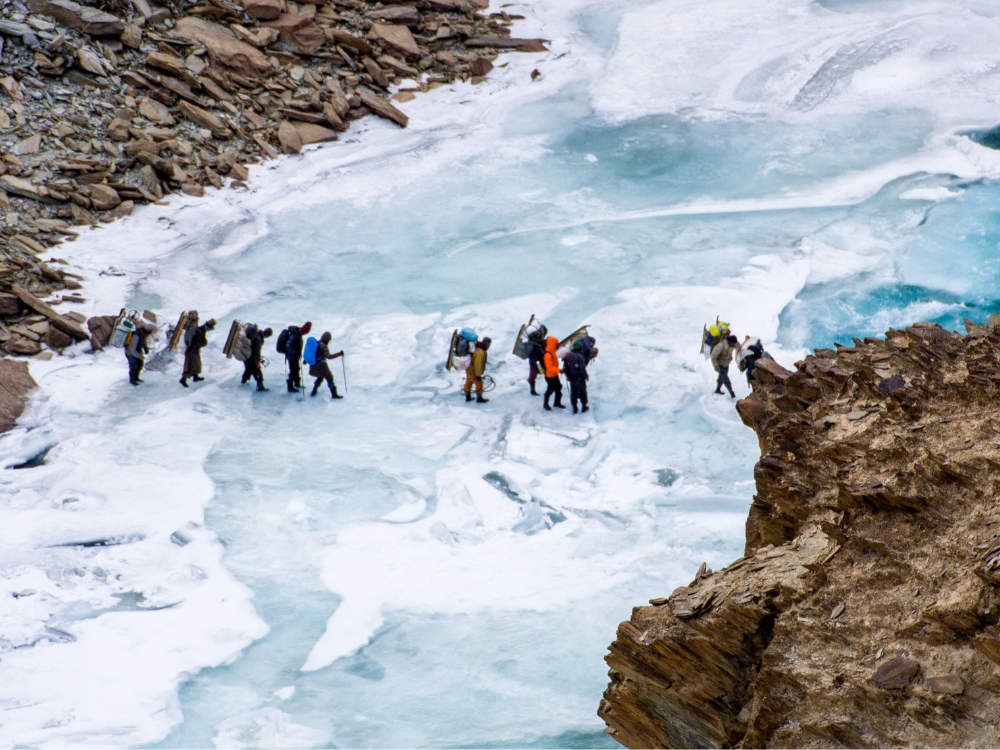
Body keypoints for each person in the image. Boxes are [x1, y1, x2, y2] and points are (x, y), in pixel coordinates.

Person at [180, 316, 215, 387]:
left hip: (193, 350)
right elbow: (201, 342)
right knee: (190, 365)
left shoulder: (199, 330)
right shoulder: (200, 332)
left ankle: (195, 377)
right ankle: (183, 379)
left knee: (196, 364)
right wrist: (205, 342)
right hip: (192, 350)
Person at [310, 332, 345, 399]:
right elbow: (329, 356)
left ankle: (314, 391)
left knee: (320, 377)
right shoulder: (323, 346)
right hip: (322, 366)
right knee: (329, 378)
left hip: (314, 365)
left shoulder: (316, 343)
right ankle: (334, 395)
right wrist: (339, 354)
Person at [283, 321, 311, 393]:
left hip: (294, 356)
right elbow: (288, 345)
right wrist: (295, 353)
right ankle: (290, 387)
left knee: (297, 369)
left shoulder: (298, 334)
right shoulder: (295, 335)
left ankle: (297, 383)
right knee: (293, 371)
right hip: (292, 356)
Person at [563, 340, 589, 414]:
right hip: (580, 378)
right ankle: (584, 406)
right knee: (583, 392)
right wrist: (585, 376)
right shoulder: (580, 357)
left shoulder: (567, 356)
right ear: (580, 348)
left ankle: (574, 407)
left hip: (572, 378)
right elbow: (582, 369)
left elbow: (565, 368)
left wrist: (568, 376)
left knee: (573, 392)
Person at [242, 326, 272, 391]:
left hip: (246, 355)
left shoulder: (256, 335)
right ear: (267, 334)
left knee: (248, 369)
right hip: (251, 357)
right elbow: (256, 351)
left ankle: (243, 381)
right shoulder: (259, 338)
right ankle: (260, 386)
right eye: (268, 335)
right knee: (257, 372)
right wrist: (257, 362)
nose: (268, 337)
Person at [464, 336, 491, 403]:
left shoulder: (476, 347)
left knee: (469, 381)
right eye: (489, 344)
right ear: (486, 344)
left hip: (468, 369)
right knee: (479, 383)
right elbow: (478, 364)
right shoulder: (480, 353)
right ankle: (479, 398)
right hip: (473, 371)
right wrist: (478, 374)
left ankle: (468, 397)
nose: (489, 346)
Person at [711, 333, 738, 398]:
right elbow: (713, 357)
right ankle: (731, 393)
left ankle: (717, 389)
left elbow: (739, 346)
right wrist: (716, 366)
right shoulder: (721, 345)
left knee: (721, 378)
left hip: (726, 364)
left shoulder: (733, 344)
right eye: (733, 344)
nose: (734, 345)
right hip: (720, 364)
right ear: (730, 342)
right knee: (725, 378)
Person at [542, 336, 565, 410]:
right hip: (550, 376)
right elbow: (549, 367)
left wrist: (558, 371)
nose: (557, 345)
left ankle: (557, 403)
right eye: (556, 343)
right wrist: (559, 370)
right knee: (550, 390)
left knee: (558, 388)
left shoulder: (553, 352)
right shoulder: (548, 355)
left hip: (554, 375)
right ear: (552, 344)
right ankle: (545, 404)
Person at [526, 328, 546, 396]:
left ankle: (532, 388)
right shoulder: (538, 344)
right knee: (536, 373)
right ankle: (532, 390)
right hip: (536, 361)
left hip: (534, 361)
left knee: (533, 374)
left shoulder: (535, 343)